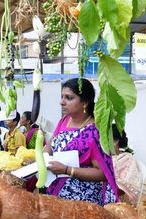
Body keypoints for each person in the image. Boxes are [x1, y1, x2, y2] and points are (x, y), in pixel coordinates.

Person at [45, 78, 119, 206]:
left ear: (84, 102)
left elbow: (102, 173)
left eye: (69, 98)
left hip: (82, 201)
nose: (62, 102)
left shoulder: (95, 132)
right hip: (55, 192)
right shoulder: (64, 121)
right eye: (62, 97)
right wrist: (43, 158)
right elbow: (49, 146)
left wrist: (67, 170)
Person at [112, 124, 142, 205]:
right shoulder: (100, 158)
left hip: (119, 200)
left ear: (115, 140)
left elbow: (131, 185)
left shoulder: (127, 158)